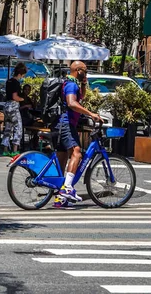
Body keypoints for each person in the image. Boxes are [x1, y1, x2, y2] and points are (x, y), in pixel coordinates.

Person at [53, 61, 102, 208]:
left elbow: (81, 98)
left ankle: (60, 197)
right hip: (66, 124)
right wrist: (91, 114)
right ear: (78, 70)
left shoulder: (72, 83)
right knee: (76, 152)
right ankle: (67, 187)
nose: (86, 74)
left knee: (62, 157)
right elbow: (72, 103)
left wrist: (84, 84)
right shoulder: (71, 84)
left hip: (60, 124)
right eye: (85, 72)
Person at [1, 62, 28, 157]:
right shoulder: (16, 83)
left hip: (6, 105)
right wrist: (22, 99)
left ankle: (5, 149)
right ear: (20, 74)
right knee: (18, 128)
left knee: (8, 128)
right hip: (13, 106)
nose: (23, 77)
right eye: (23, 75)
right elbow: (15, 96)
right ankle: (15, 149)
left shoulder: (9, 81)